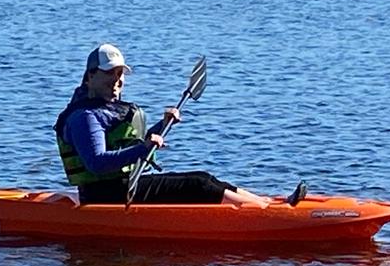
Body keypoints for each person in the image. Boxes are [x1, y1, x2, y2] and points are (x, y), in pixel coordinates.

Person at [54, 43, 271, 206]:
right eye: (109, 73)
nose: (117, 80)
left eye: (119, 74)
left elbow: (129, 145)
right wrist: (145, 148)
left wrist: (163, 125)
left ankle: (265, 204)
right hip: (106, 196)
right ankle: (260, 214)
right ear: (90, 76)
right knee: (199, 186)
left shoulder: (105, 110)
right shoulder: (84, 117)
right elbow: (96, 163)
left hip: (123, 186)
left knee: (204, 177)